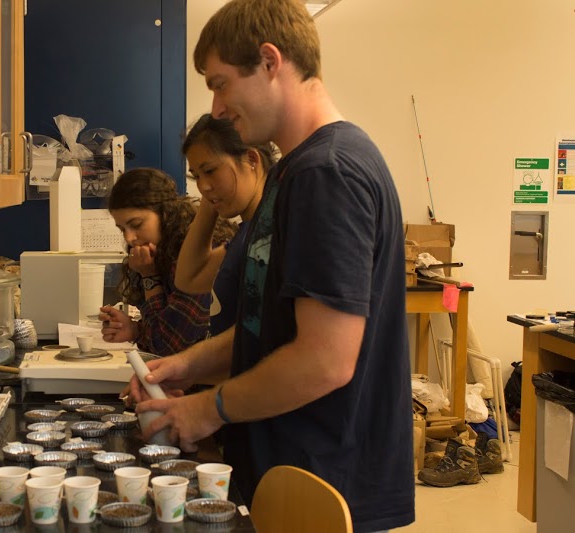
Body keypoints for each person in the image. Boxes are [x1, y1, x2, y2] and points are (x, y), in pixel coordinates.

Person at [127, 1, 415, 531]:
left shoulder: (328, 173)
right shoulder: (295, 173)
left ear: (269, 61)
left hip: (324, 481)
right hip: (286, 468)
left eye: (220, 83)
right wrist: (184, 367)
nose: (216, 108)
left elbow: (325, 360)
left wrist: (206, 409)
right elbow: (270, 330)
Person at [98, 168, 236, 356]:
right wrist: (135, 330)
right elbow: (162, 331)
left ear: (165, 213)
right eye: (122, 229)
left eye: (136, 225)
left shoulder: (196, 252)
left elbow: (167, 344)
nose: (129, 238)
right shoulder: (161, 254)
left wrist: (149, 277)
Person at [176, 114, 276, 337]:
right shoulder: (248, 233)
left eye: (210, 171)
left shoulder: (270, 233)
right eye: (196, 176)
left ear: (251, 160)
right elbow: (188, 278)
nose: (203, 186)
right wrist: (212, 198)